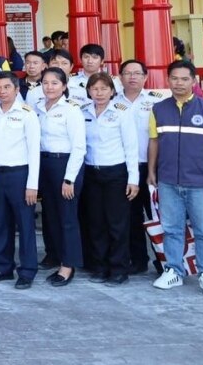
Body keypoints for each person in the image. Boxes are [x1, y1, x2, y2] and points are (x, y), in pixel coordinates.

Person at [150, 60, 203, 297]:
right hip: (168, 181)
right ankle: (174, 270)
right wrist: (151, 170)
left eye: (184, 79)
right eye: (174, 78)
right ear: (168, 80)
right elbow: (154, 141)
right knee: (171, 228)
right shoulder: (159, 109)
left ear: (194, 82)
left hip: (200, 182)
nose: (179, 83)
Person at [0, 71, 40, 290]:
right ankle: (4, 267)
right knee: (1, 223)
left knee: (25, 224)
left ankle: (27, 270)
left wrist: (32, 184)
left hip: (19, 175)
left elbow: (34, 152)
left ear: (16, 89)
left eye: (6, 87)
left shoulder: (27, 114)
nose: (2, 92)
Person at [83, 72, 139, 285]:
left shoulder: (122, 112)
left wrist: (133, 179)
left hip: (116, 173)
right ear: (88, 91)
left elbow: (131, 147)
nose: (99, 93)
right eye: (95, 89)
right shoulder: (83, 112)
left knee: (117, 224)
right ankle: (100, 266)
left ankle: (118, 269)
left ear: (112, 91)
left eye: (104, 89)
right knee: (96, 223)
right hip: (91, 173)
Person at [33, 67, 86, 287]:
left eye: (55, 83)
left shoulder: (71, 110)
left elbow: (79, 147)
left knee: (67, 217)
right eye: (45, 83)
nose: (49, 87)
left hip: (65, 165)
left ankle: (68, 265)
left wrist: (69, 179)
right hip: (44, 164)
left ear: (64, 86)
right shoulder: (37, 108)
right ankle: (54, 254)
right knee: (50, 216)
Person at [116, 59, 167, 274]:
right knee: (130, 216)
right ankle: (137, 260)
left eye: (137, 73)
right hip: (125, 169)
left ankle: (165, 261)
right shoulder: (113, 102)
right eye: (127, 73)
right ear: (120, 77)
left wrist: (156, 169)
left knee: (158, 215)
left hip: (151, 168)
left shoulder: (158, 101)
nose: (132, 77)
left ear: (145, 77)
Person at [69, 43, 122, 108]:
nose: (90, 61)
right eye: (86, 57)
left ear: (102, 61)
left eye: (94, 57)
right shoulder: (70, 80)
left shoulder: (113, 81)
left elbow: (118, 102)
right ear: (81, 60)